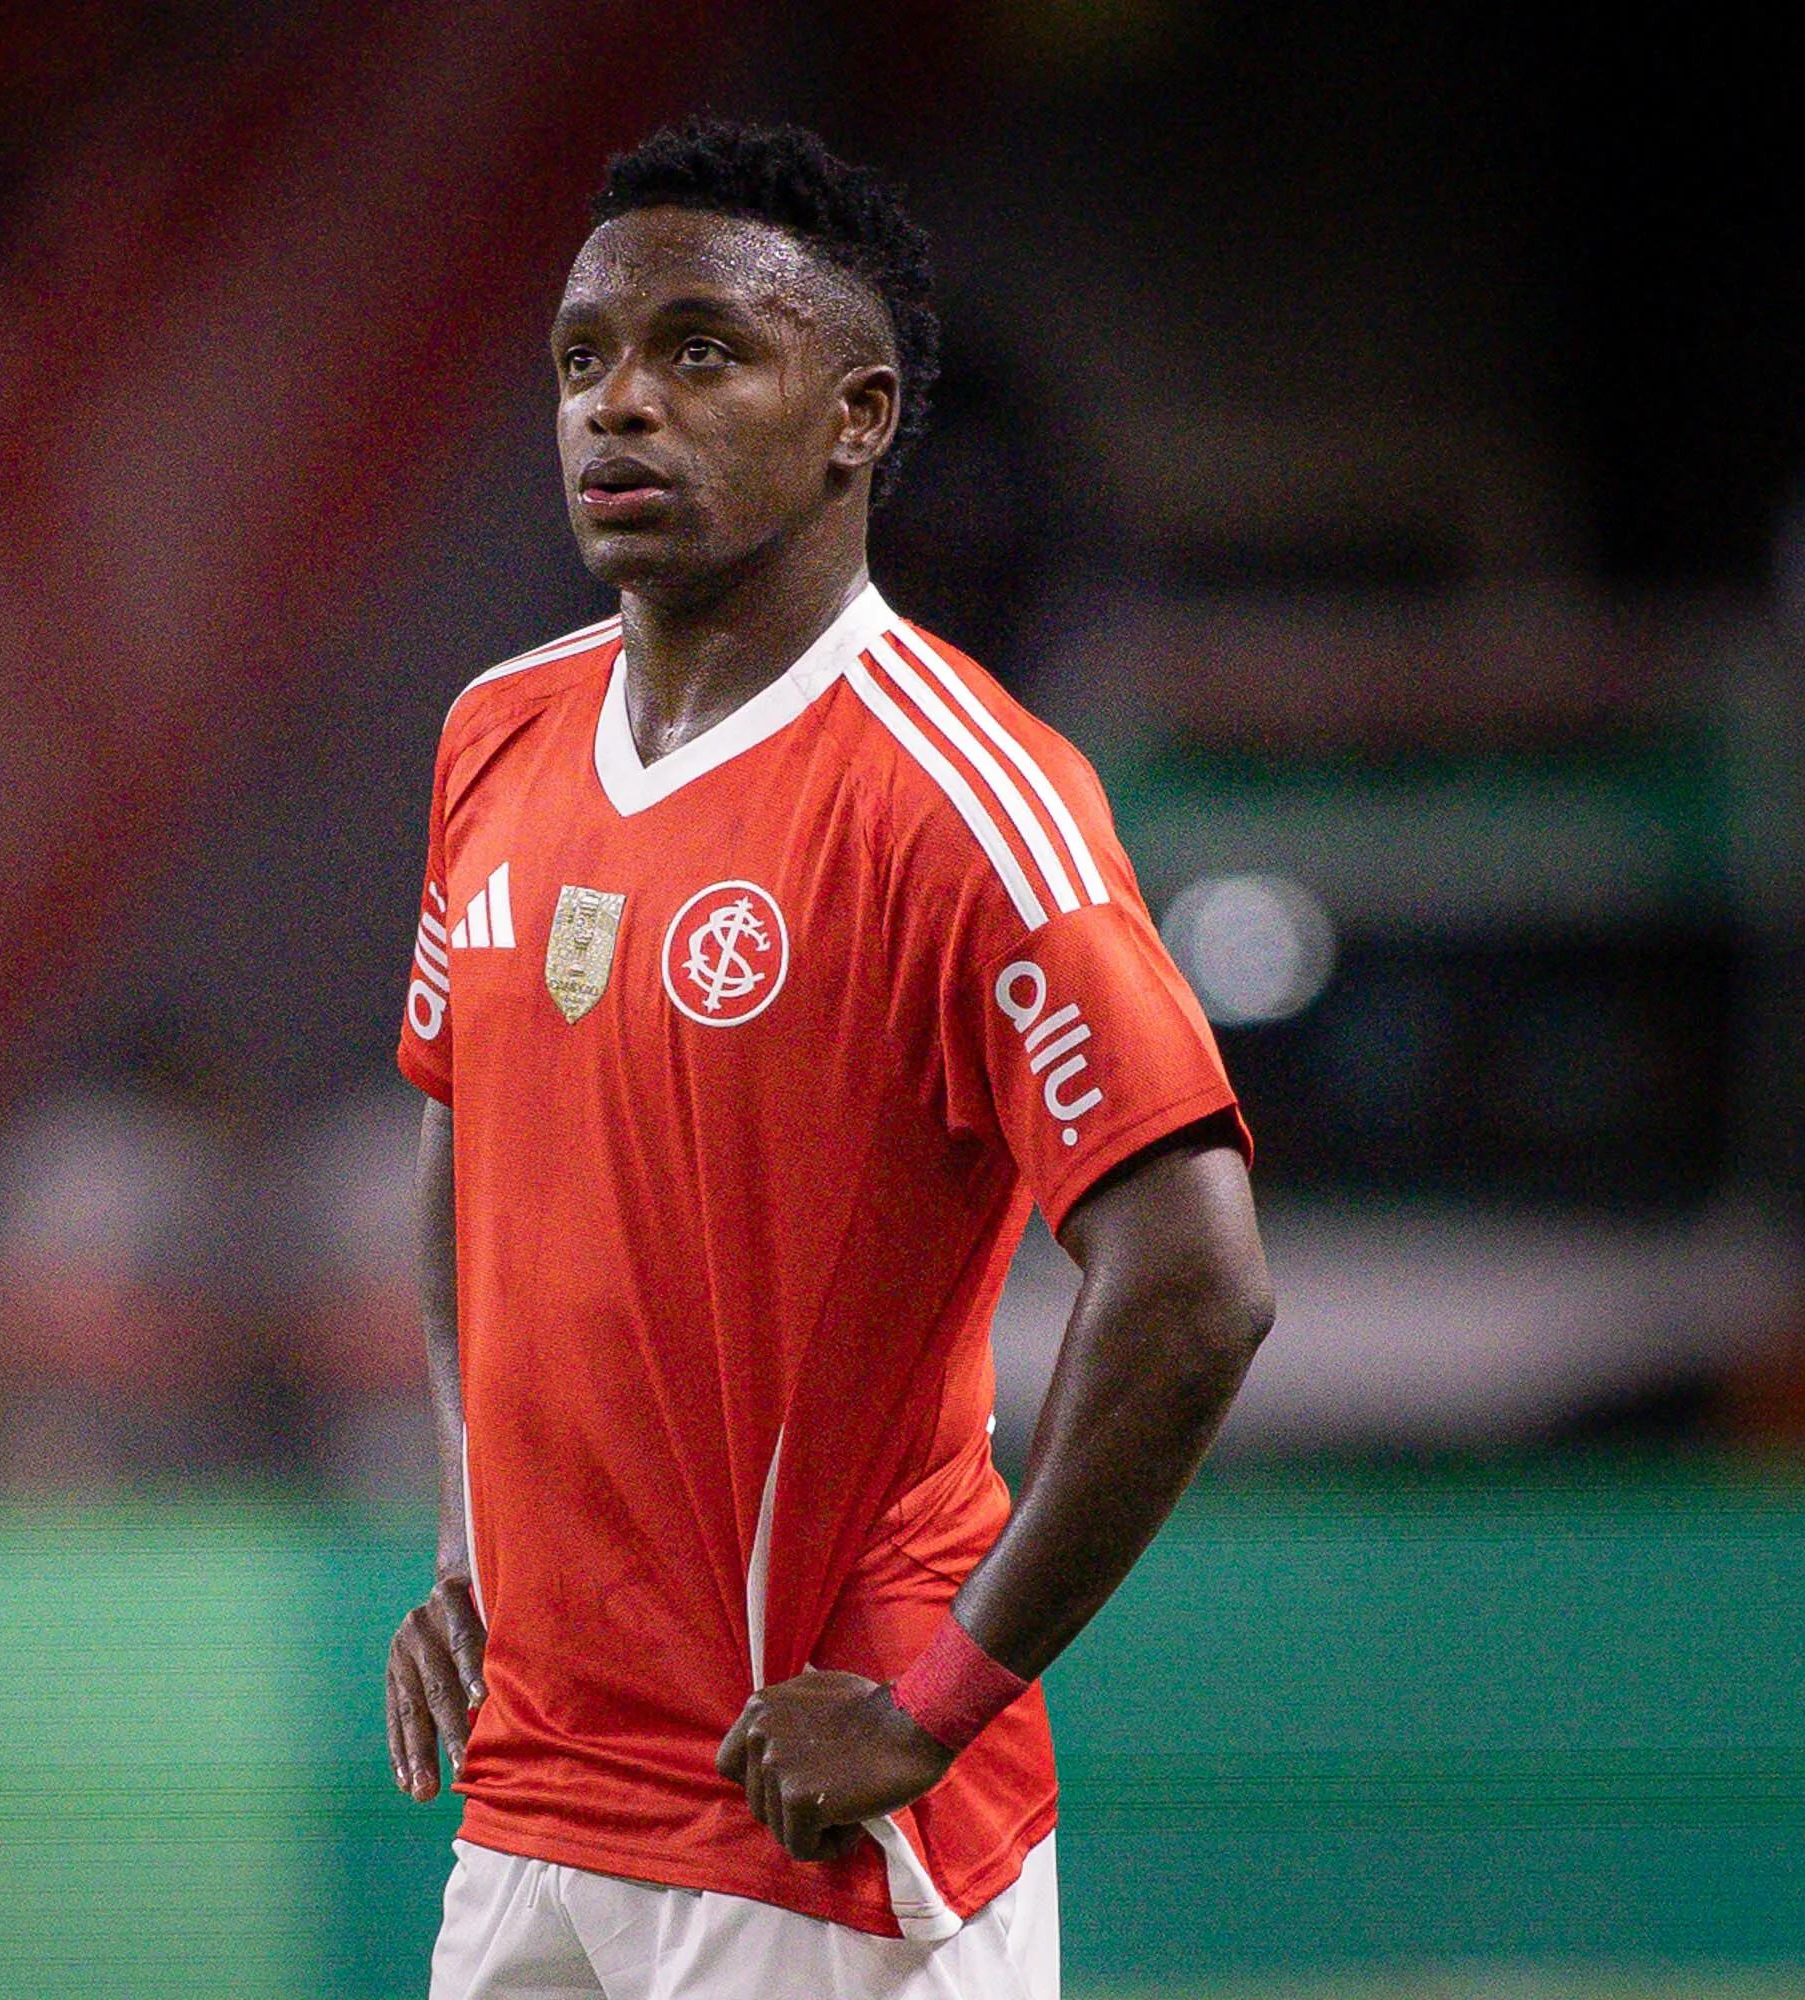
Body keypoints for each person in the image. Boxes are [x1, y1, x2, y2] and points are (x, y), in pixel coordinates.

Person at [380, 120, 1275, 2000]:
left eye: (700, 351)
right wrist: (474, 1547)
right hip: (533, 1792)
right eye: (580, 360)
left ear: (859, 414)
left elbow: (1194, 1284)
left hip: (812, 1817)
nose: (617, 405)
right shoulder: (494, 737)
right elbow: (472, 1154)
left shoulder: (964, 795)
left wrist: (940, 1701)